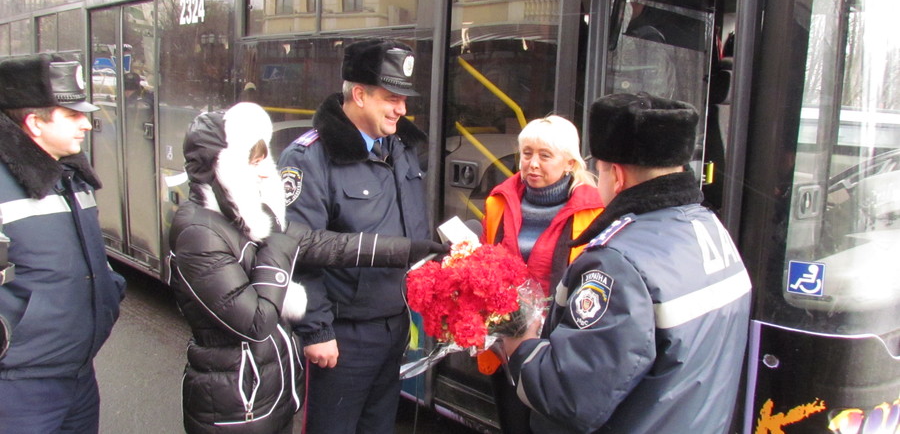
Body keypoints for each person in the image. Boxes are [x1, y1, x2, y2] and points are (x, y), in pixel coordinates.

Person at [170, 102, 444, 433]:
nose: (262, 171)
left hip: (269, 388)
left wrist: (410, 249)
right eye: (251, 162)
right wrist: (279, 246)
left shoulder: (249, 217)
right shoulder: (199, 231)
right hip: (234, 403)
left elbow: (329, 245)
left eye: (262, 161)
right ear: (223, 168)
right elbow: (254, 321)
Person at [500, 92, 752, 434]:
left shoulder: (617, 263)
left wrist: (519, 346)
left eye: (600, 171)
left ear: (616, 176)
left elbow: (567, 396)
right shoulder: (710, 229)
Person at [278, 39, 429, 434]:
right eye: (392, 97)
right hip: (341, 338)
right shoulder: (309, 157)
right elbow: (294, 249)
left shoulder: (400, 147)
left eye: (404, 99)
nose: (402, 109)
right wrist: (317, 330)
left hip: (394, 326)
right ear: (359, 94)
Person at [0, 54, 127, 433]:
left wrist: (110, 291)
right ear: (34, 123)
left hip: (78, 374)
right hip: (20, 387)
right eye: (72, 115)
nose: (87, 124)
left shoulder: (71, 175)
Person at [481, 115, 605, 433]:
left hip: (560, 350)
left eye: (545, 155)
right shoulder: (498, 202)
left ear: (570, 163)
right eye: (526, 153)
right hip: (507, 344)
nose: (532, 164)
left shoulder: (596, 212)